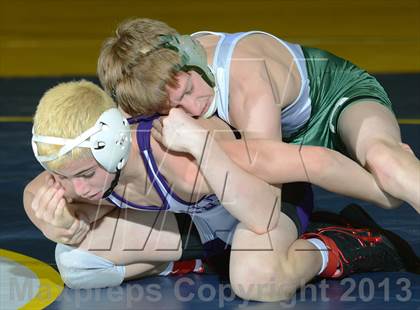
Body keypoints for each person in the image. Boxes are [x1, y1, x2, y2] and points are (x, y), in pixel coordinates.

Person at [24, 80, 416, 301]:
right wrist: (48, 216)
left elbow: (276, 197)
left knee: (256, 279)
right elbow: (37, 191)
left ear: (113, 147)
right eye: (60, 177)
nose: (75, 189)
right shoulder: (78, 166)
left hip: (266, 198)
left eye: (85, 175)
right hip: (202, 220)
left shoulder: (179, 159)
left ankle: (337, 244)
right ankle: (206, 259)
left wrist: (388, 193)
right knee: (77, 264)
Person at [97, 18, 420, 211]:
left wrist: (387, 195)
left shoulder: (245, 77)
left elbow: (275, 176)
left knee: (387, 164)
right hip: (274, 134)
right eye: (174, 108)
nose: (194, 108)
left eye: (189, 91)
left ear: (191, 57)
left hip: (335, 99)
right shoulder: (153, 76)